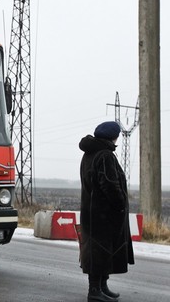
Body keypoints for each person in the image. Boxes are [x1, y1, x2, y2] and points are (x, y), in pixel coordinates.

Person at [79, 121, 134, 302]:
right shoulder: (105, 156)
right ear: (113, 136)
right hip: (103, 214)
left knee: (99, 251)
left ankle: (102, 287)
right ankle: (94, 291)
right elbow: (110, 184)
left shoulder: (90, 154)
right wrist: (119, 204)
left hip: (91, 212)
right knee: (100, 251)